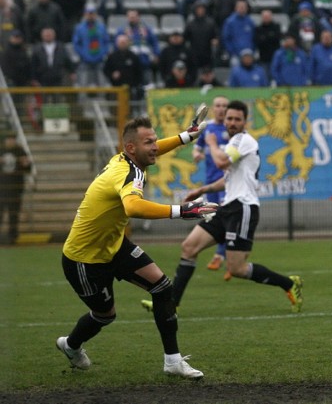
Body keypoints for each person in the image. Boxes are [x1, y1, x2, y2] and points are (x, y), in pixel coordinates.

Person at [56, 113, 213, 377]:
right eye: (149, 142)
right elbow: (132, 206)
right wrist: (181, 211)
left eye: (155, 140)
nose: (155, 147)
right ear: (131, 148)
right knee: (105, 316)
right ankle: (70, 346)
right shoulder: (128, 171)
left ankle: (172, 362)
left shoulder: (126, 158)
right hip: (84, 259)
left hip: (115, 246)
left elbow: (151, 150)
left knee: (163, 288)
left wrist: (186, 136)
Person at [141, 101, 303, 314]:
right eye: (230, 118)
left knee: (236, 269)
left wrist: (211, 143)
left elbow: (222, 163)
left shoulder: (243, 140)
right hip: (228, 207)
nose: (233, 122)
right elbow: (228, 177)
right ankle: (171, 304)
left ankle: (288, 284)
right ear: (224, 120)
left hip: (243, 208)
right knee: (189, 247)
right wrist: (201, 190)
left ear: (245, 122)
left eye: (237, 119)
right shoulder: (233, 143)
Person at [192, 96, 229, 274]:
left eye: (224, 106)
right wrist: (196, 155)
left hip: (227, 182)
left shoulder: (232, 129)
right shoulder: (208, 129)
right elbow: (197, 148)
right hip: (210, 182)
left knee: (224, 216)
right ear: (213, 108)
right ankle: (231, 256)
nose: (221, 109)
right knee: (214, 217)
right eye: (218, 106)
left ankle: (220, 254)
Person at [115, 10, 161, 86]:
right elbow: (117, 44)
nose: (132, 19)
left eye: (134, 17)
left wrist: (156, 54)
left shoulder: (146, 29)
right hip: (129, 63)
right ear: (127, 18)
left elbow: (154, 42)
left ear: (138, 17)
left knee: (146, 83)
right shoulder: (122, 30)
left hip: (144, 61)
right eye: (130, 17)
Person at [0, 132, 31, 244]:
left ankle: (12, 237)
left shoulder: (20, 151)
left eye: (12, 139)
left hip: (15, 189)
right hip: (1, 188)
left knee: (14, 214)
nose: (11, 141)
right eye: (9, 138)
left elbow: (28, 168)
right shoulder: (1, 150)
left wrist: (26, 163)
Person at [72, 5, 110, 90]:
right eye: (89, 13)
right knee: (83, 82)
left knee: (102, 82)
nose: (90, 15)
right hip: (85, 60)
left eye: (92, 13)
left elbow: (106, 42)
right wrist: (83, 54)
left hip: (100, 59)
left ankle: (102, 101)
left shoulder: (101, 27)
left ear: (95, 15)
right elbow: (76, 44)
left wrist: (102, 53)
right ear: (85, 14)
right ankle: (83, 101)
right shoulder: (79, 28)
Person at [103, 34, 145, 106]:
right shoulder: (112, 57)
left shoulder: (133, 56)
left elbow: (139, 72)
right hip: (116, 87)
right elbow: (106, 70)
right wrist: (112, 75)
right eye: (121, 42)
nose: (123, 44)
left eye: (124, 42)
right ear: (117, 43)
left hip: (131, 88)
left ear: (128, 43)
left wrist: (136, 84)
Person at [30, 27, 76, 91]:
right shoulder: (37, 49)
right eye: (46, 35)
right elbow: (33, 65)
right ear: (42, 36)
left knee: (58, 98)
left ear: (54, 35)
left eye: (50, 35)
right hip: (43, 79)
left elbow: (67, 60)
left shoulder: (61, 47)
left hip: (58, 78)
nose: (48, 36)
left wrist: (72, 72)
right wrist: (34, 78)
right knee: (44, 99)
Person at [184, 1, 219, 71]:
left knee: (207, 71)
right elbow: (185, 37)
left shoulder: (211, 23)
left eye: (202, 9)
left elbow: (216, 36)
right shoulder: (190, 24)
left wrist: (215, 40)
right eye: (198, 9)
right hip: (194, 53)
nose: (200, 11)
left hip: (207, 53)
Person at [221, 0, 255, 65]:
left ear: (247, 8)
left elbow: (254, 37)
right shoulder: (230, 22)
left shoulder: (250, 21)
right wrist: (232, 52)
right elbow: (226, 38)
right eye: (240, 7)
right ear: (236, 8)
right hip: (235, 55)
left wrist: (252, 50)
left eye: (244, 7)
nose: (242, 9)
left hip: (249, 54)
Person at [254, 9, 282, 79]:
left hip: (275, 58)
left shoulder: (276, 27)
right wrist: (269, 37)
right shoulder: (258, 29)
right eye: (264, 16)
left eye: (268, 16)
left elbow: (276, 39)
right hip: (263, 58)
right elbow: (258, 42)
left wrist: (264, 38)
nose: (266, 18)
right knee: (265, 78)